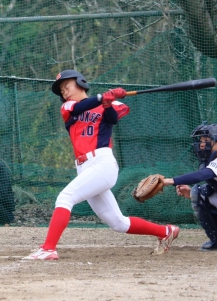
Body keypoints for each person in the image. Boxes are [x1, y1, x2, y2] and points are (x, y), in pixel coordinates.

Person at [24, 70, 180, 260]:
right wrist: (102, 98)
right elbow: (81, 107)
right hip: (84, 167)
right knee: (118, 223)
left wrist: (107, 104)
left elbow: (112, 119)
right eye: (62, 90)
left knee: (65, 197)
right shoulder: (68, 107)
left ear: (80, 83)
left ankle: (48, 249)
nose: (64, 92)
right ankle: (166, 231)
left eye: (67, 86)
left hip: (102, 163)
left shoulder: (107, 105)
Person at [159, 123, 217, 251]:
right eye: (201, 140)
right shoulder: (211, 159)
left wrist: (170, 181)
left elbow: (202, 175)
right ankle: (215, 240)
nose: (202, 144)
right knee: (200, 192)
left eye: (206, 140)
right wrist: (191, 194)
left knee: (201, 190)